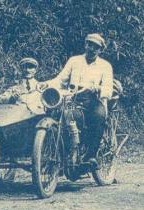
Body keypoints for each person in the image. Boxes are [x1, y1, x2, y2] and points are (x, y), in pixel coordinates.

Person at [42, 33, 114, 168]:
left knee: (99, 116)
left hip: (93, 100)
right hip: (73, 98)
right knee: (64, 117)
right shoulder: (74, 60)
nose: (91, 48)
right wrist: (47, 84)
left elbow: (108, 86)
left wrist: (100, 92)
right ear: (85, 45)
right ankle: (66, 152)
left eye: (95, 47)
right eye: (89, 44)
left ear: (100, 50)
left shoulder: (105, 66)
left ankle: (91, 156)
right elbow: (61, 79)